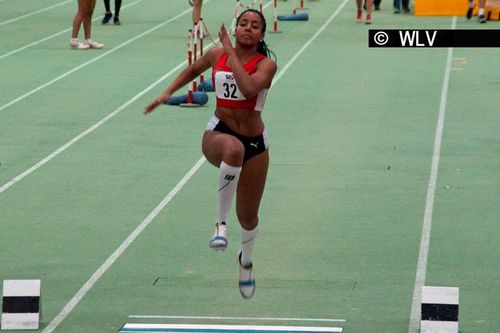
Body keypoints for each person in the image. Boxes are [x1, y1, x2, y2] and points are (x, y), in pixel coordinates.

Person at [144, 9, 277, 299]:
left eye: (255, 26)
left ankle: (245, 262)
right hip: (219, 131)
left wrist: (230, 50)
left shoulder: (266, 65)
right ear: (236, 26)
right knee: (233, 148)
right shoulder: (217, 55)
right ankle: (220, 224)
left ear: (261, 35)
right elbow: (193, 70)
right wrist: (168, 92)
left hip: (256, 143)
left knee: (249, 216)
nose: (247, 29)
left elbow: (248, 86)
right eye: (243, 24)